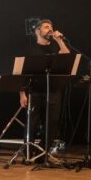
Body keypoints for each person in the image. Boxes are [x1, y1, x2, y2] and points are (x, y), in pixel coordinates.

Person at [19, 18, 70, 151]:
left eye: (51, 27)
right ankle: (28, 153)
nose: (50, 29)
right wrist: (22, 94)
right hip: (35, 90)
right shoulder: (30, 50)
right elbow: (21, 74)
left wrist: (59, 40)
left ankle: (42, 153)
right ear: (38, 31)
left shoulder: (55, 46)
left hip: (53, 90)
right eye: (46, 27)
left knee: (52, 123)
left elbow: (66, 57)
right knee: (32, 123)